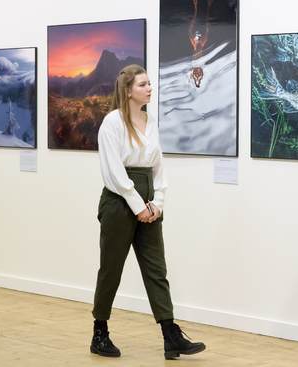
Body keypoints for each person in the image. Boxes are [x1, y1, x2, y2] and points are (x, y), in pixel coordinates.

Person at [91, 64, 206, 360]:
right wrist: (138, 206)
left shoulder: (150, 121)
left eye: (150, 83)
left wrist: (158, 203)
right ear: (128, 90)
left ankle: (170, 335)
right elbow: (115, 173)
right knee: (111, 269)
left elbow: (158, 168)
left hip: (149, 202)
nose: (149, 88)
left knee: (157, 270)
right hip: (119, 202)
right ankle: (99, 333)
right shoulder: (112, 123)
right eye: (143, 84)